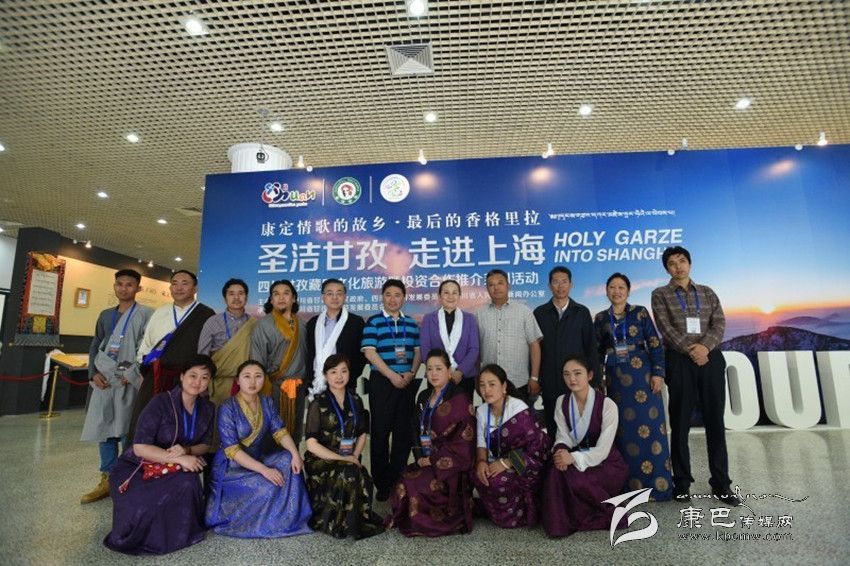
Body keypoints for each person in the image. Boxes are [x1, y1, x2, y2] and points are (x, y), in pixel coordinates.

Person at [651, 246, 739, 504]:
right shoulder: (660, 294)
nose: (678, 266)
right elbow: (665, 328)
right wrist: (691, 351)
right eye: (672, 263)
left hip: (710, 359)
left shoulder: (707, 292)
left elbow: (719, 323)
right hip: (680, 362)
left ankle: (721, 483)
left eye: (682, 261)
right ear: (667, 269)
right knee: (679, 423)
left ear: (689, 264)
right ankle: (681, 483)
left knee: (715, 422)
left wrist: (705, 348)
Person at [104, 355, 217, 555]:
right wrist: (179, 458)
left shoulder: (208, 409)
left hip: (175, 467)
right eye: (193, 375)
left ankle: (179, 534)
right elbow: (140, 447)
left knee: (188, 482)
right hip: (139, 465)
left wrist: (187, 451)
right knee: (145, 501)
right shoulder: (160, 402)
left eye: (204, 377)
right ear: (182, 376)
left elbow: (205, 445)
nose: (197, 382)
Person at [205, 360, 312, 538]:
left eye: (258, 376)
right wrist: (265, 470)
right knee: (268, 486)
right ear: (238, 380)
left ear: (264, 379)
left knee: (289, 461)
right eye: (247, 376)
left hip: (257, 458)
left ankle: (290, 520)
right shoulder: (227, 407)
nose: (252, 381)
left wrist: (296, 454)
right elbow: (232, 450)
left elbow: (280, 432)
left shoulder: (267, 402)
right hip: (232, 467)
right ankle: (269, 523)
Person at [594, 272, 672, 501]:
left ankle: (657, 488)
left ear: (628, 291)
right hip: (616, 381)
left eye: (621, 287)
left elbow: (655, 344)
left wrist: (658, 373)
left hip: (643, 377)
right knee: (623, 432)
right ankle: (628, 488)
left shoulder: (640, 312)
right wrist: (598, 381)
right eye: (612, 287)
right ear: (606, 291)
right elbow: (596, 352)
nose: (616, 291)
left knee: (652, 429)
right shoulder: (601, 318)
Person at [80, 269, 154, 504]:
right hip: (104, 380)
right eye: (119, 284)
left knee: (126, 429)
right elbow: (95, 345)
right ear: (114, 286)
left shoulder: (146, 314)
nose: (124, 288)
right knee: (104, 428)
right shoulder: (105, 315)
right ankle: (107, 477)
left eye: (129, 284)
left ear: (138, 288)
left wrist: (130, 372)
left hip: (128, 379)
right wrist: (93, 373)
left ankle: (128, 475)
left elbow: (147, 348)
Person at [386, 349, 475, 537]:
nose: (433, 373)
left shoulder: (460, 397)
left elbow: (464, 441)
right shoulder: (423, 396)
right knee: (403, 481)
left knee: (417, 484)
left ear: (449, 371)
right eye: (429, 369)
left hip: (450, 466)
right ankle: (410, 517)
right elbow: (414, 428)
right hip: (425, 459)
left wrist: (434, 460)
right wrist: (420, 457)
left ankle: (427, 521)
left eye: (439, 368)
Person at [540, 356, 628, 538]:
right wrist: (561, 452)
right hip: (575, 458)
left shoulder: (607, 405)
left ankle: (598, 513)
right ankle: (559, 523)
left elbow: (603, 450)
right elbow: (563, 435)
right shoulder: (562, 401)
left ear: (590, 375)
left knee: (574, 479)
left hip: (605, 464)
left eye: (577, 373)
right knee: (555, 471)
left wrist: (572, 458)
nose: (571, 379)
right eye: (566, 374)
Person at [128, 270, 215, 444]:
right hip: (157, 377)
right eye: (175, 283)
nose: (179, 287)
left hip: (190, 380)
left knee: (184, 425)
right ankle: (144, 458)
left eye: (185, 283)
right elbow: (147, 344)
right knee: (147, 421)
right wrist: (144, 366)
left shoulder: (206, 314)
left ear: (195, 288)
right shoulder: (160, 312)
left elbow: (210, 350)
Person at [304, 354, 384, 539]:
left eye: (343, 371)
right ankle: (338, 523)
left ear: (349, 373)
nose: (339, 376)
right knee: (347, 472)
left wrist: (354, 456)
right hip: (321, 459)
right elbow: (311, 445)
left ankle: (357, 520)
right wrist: (344, 458)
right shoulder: (318, 403)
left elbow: (362, 434)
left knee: (361, 474)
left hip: (349, 456)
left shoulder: (355, 399)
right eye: (333, 372)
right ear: (326, 375)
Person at [360, 279, 421, 501]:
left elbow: (417, 352)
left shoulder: (411, 323)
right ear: (382, 297)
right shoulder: (374, 322)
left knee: (403, 434)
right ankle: (382, 484)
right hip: (382, 382)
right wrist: (392, 375)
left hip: (406, 382)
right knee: (380, 433)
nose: (393, 299)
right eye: (388, 294)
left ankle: (397, 480)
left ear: (404, 298)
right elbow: (369, 352)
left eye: (397, 295)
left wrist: (411, 373)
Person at [472, 363, 551, 528]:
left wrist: (506, 462)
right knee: (479, 475)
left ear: (504, 386)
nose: (487, 390)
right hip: (496, 459)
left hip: (524, 462)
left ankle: (517, 513)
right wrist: (482, 462)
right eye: (482, 385)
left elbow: (536, 447)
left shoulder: (518, 408)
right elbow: (481, 443)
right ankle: (496, 511)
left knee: (498, 481)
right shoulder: (482, 411)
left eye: (492, 384)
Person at [533, 266, 600, 436]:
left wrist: (594, 379)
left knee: (579, 428)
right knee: (553, 428)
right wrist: (535, 378)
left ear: (571, 284)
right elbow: (534, 349)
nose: (560, 286)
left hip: (577, 382)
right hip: (549, 381)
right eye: (556, 282)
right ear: (549, 286)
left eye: (564, 282)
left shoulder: (581, 312)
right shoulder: (540, 313)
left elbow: (591, 347)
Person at [251, 279, 307, 445]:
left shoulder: (302, 324)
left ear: (294, 298)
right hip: (274, 388)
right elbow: (257, 361)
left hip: (298, 388)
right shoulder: (263, 325)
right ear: (271, 300)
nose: (281, 297)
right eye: (276, 294)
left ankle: (293, 460)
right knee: (273, 433)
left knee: (295, 431)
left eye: (286, 293)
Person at [477, 269, 543, 404]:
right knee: (491, 418)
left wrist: (534, 378)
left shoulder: (524, 311)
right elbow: (476, 349)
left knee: (520, 417)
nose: (496, 287)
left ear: (508, 286)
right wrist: (477, 378)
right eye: (491, 284)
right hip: (490, 385)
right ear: (487, 288)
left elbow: (534, 345)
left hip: (518, 382)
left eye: (500, 283)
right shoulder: (479, 314)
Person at [305, 279, 367, 399]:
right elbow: (308, 353)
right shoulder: (313, 323)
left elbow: (361, 355)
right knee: (317, 411)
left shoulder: (356, 322)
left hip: (344, 382)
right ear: (323, 297)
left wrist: (349, 376)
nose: (334, 297)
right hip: (316, 382)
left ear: (345, 297)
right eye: (330, 293)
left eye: (339, 293)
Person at [197, 278, 256, 405]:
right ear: (225, 299)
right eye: (231, 294)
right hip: (219, 383)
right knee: (220, 416)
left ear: (246, 298)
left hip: (248, 383)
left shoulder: (254, 324)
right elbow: (202, 355)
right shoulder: (212, 322)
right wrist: (202, 382)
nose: (236, 297)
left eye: (241, 293)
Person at [419, 279, 480, 400]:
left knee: (462, 410)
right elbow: (425, 348)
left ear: (459, 296)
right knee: (437, 410)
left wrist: (460, 372)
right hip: (436, 377)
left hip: (464, 377)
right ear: (440, 296)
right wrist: (440, 371)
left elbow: (474, 349)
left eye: (454, 293)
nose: (450, 296)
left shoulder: (470, 319)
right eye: (446, 292)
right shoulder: (428, 319)